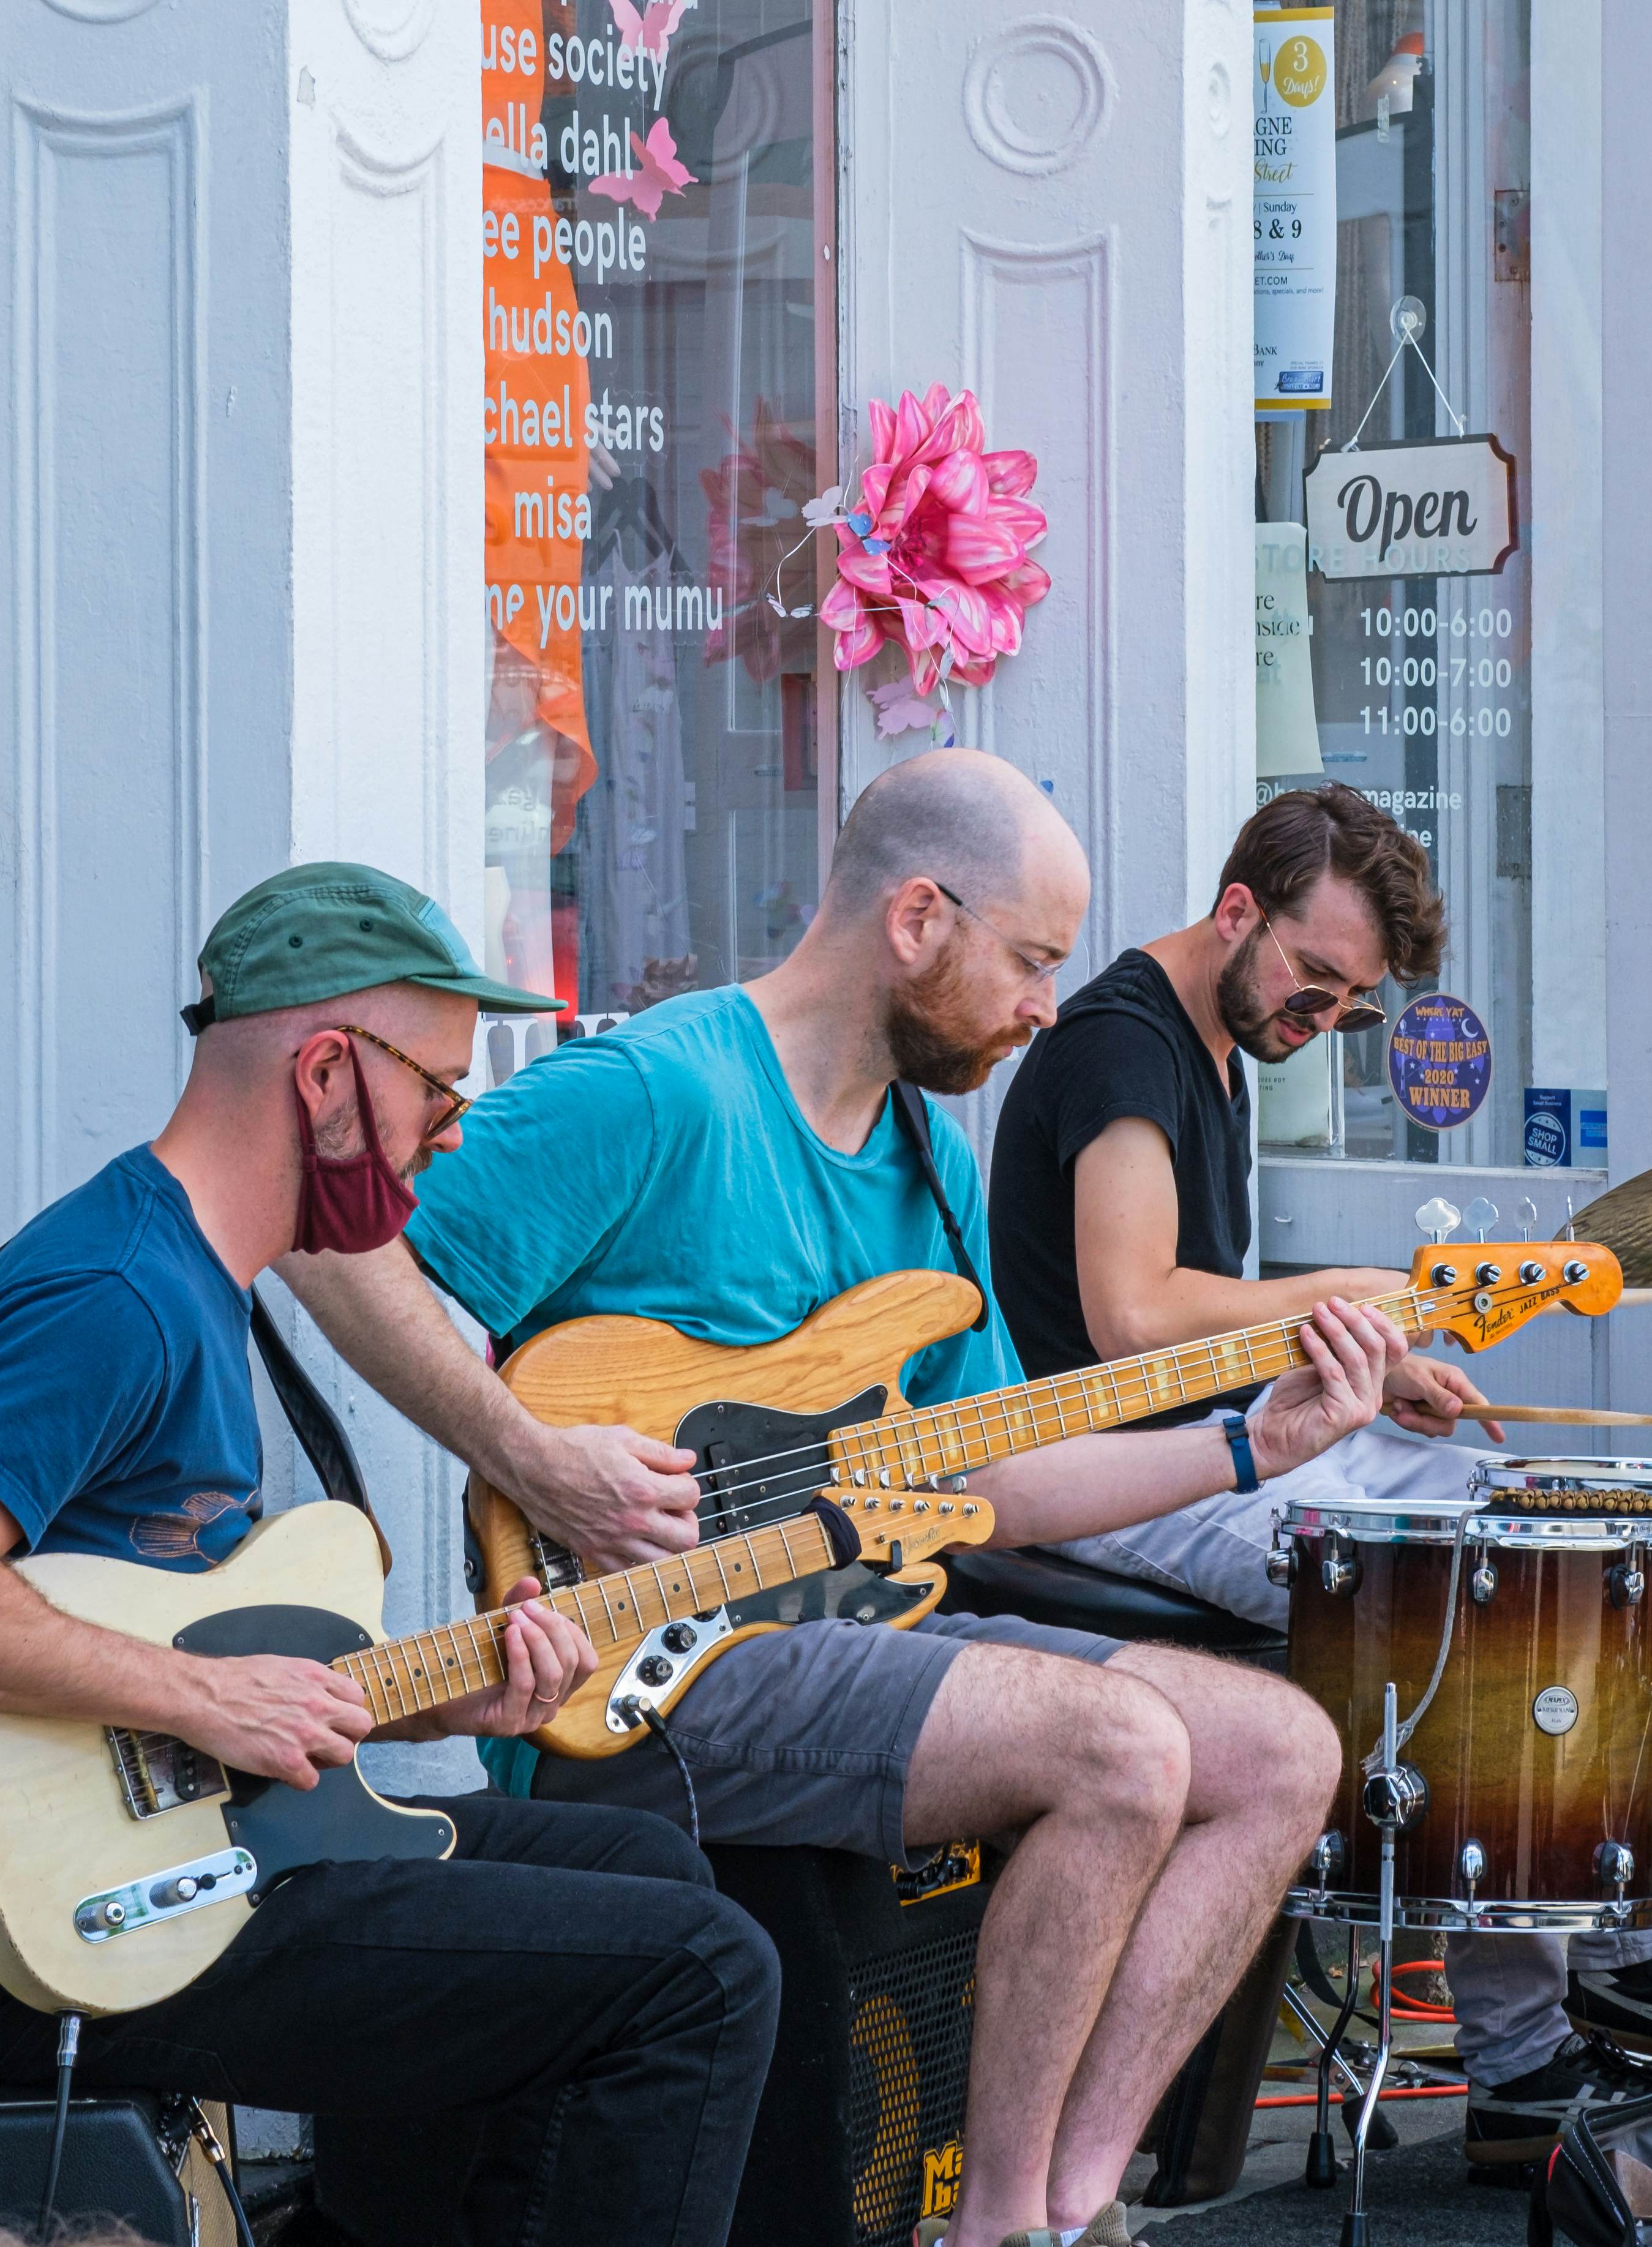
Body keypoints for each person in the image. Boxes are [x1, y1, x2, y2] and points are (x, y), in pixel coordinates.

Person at [279, 750, 1403, 2247]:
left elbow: (990, 1471)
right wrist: (537, 1455)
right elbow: (327, 1241)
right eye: (1026, 959)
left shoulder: (929, 1160)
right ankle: (995, 2228)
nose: (1042, 1009)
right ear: (917, 916)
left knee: (1279, 1749)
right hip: (653, 1669)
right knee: (1123, 1746)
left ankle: (1071, 2202)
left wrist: (1261, 1442)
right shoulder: (657, 1090)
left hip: (844, 1626)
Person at [0, 864, 781, 2247]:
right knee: (704, 1973)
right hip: (31, 1947)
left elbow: (206, 1660)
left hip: (192, 1845)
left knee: (648, 1876)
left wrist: (443, 1694)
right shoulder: (117, 1293)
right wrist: (208, 1701)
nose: (450, 1136)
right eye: (437, 1091)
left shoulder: (206, 1281)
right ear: (327, 1073)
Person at [986, 782, 1652, 2174]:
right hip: (1120, 1470)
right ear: (1238, 912)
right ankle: (1524, 2053)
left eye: (1346, 1007)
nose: (1315, 1023)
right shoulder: (1124, 1046)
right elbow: (1127, 1314)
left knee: (1549, 1529)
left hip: (1223, 1433)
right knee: (1473, 1598)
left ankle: (1620, 1956)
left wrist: (1364, 1364)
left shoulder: (1221, 1039)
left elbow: (1203, 1321)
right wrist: (1342, 1297)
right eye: (1311, 982)